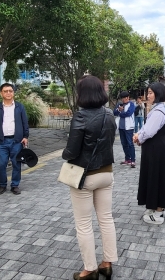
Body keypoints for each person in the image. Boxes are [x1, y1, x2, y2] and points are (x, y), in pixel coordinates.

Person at [62, 76, 118, 280]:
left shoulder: (80, 116)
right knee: (106, 219)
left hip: (84, 176)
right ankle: (107, 264)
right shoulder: (110, 114)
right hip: (106, 173)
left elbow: (71, 151)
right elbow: (110, 141)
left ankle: (89, 269)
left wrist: (64, 153)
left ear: (82, 94)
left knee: (84, 223)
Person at [133, 82, 165, 225]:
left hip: (155, 148)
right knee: (153, 176)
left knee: (156, 177)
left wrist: (138, 137)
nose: (147, 95)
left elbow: (149, 131)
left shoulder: (158, 111)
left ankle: (158, 211)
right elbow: (147, 129)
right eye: (147, 93)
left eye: (150, 93)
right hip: (155, 147)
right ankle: (154, 206)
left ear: (158, 93)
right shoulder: (160, 108)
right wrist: (139, 135)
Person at [0, 83, 29, 195]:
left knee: (17, 163)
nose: (8, 93)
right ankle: (2, 185)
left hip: (16, 141)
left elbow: (24, 122)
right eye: (5, 91)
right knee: (1, 164)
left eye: (10, 91)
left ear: (13, 93)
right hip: (1, 141)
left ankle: (15, 185)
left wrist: (25, 136)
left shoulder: (19, 107)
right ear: (1, 93)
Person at [113, 91, 136, 168]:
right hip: (121, 127)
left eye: (125, 98)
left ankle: (133, 160)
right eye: (122, 98)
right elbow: (114, 113)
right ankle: (127, 159)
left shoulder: (131, 104)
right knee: (124, 143)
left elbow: (128, 113)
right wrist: (119, 110)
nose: (124, 100)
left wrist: (120, 112)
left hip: (129, 127)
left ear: (128, 97)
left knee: (130, 143)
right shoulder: (119, 104)